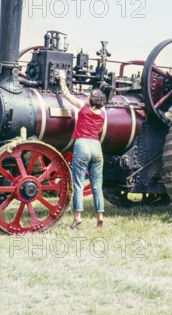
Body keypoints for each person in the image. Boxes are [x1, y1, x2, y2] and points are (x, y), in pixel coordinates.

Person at [58, 71, 106, 229]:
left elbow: (66, 94)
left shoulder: (83, 107)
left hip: (82, 145)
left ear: (90, 99)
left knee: (78, 184)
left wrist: (62, 79)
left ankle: (78, 216)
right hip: (96, 147)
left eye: (89, 95)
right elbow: (100, 130)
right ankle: (100, 216)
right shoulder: (103, 112)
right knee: (97, 186)